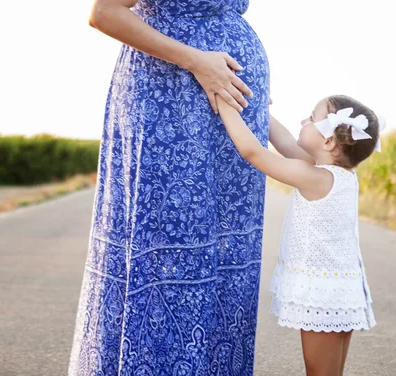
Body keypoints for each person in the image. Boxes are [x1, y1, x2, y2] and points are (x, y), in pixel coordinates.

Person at [68, 0, 269, 375]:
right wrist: (197, 61)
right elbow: (105, 12)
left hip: (224, 112)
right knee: (169, 252)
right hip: (170, 106)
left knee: (224, 253)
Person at [216, 94, 380, 376]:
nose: (303, 121)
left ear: (329, 142)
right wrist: (257, 110)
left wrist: (224, 104)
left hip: (325, 298)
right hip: (339, 292)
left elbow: (253, 153)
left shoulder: (316, 178)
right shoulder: (331, 173)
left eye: (311, 118)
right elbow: (287, 142)